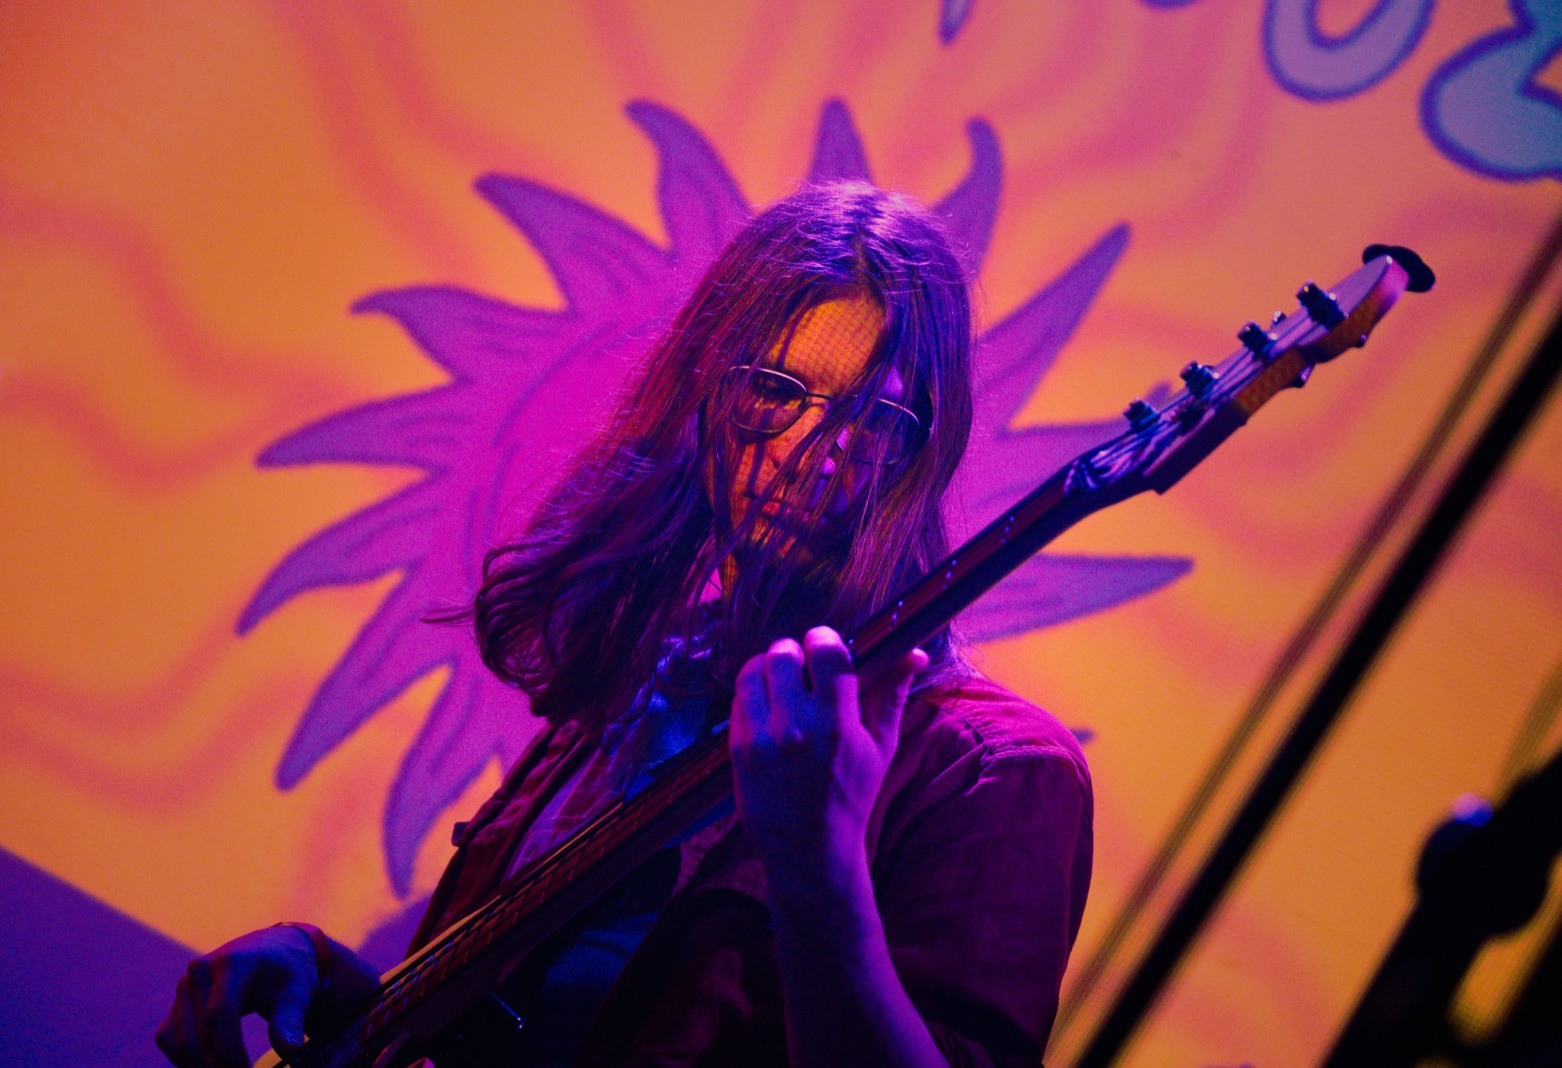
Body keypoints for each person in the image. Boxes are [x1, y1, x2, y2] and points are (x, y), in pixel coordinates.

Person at [157, 181, 1093, 1068]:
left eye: (872, 418)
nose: (811, 451)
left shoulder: (997, 773)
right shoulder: (663, 671)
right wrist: (329, 981)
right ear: (705, 395)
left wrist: (819, 861)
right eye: (776, 389)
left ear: (924, 448)